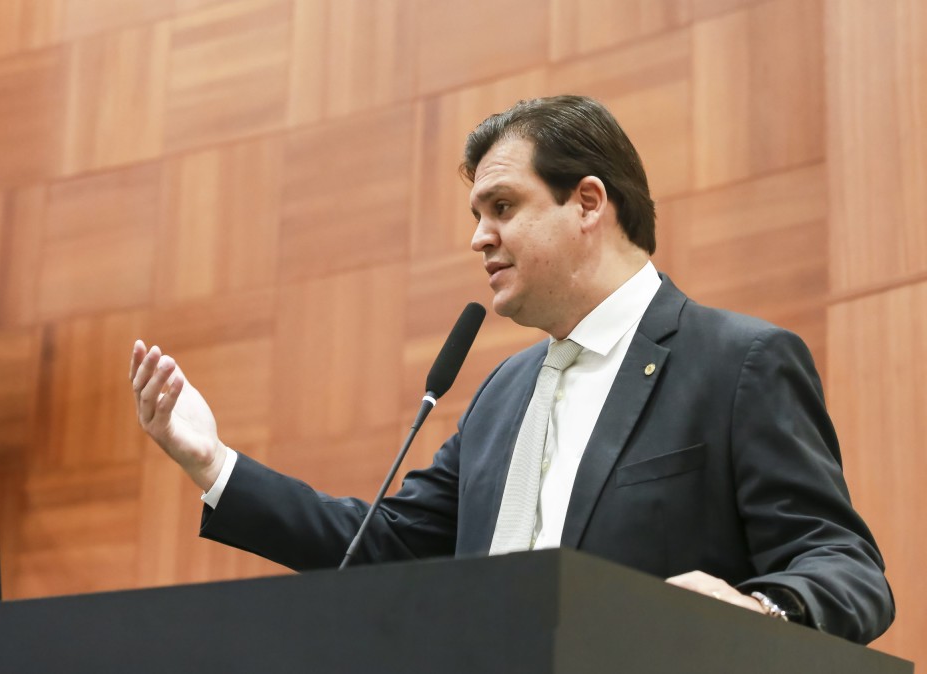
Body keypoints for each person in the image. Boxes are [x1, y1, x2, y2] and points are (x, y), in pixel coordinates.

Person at [131, 96, 894, 645]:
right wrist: (214, 463)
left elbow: (846, 567)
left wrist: (759, 613)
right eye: (476, 215)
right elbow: (386, 545)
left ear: (587, 203)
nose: (479, 238)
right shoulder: (503, 392)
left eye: (501, 207)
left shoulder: (738, 362)